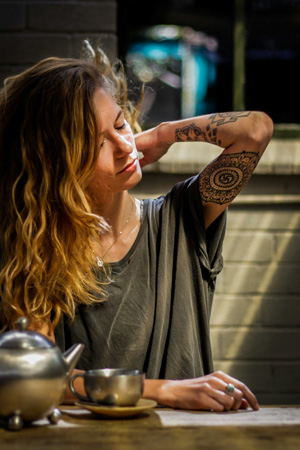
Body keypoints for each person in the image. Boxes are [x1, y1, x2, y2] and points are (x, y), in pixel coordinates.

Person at [0, 42, 273, 412]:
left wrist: (162, 134)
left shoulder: (182, 218)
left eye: (120, 123)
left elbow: (255, 131)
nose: (125, 146)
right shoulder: (42, 251)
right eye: (98, 144)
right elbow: (36, 379)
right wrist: (161, 390)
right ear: (60, 166)